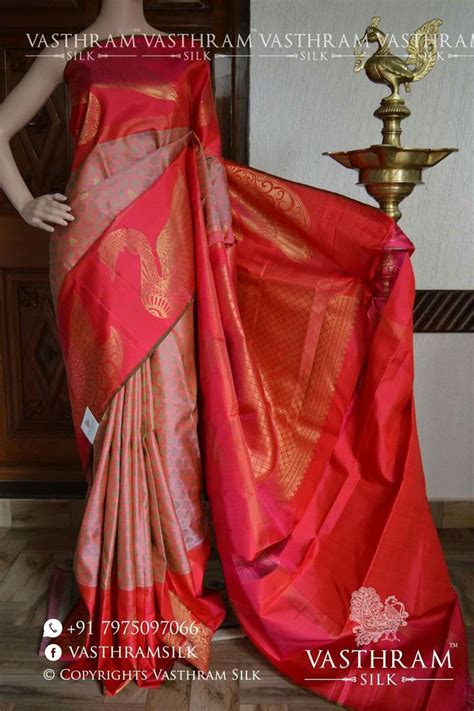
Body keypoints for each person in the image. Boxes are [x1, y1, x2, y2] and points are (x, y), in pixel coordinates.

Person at [0, 1, 470, 708]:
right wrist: (27, 203)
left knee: (171, 420)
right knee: (115, 420)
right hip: (93, 254)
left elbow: (209, 173)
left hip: (172, 257)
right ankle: (121, 590)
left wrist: (237, 261)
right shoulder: (68, 50)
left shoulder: (188, 56)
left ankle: (168, 594)